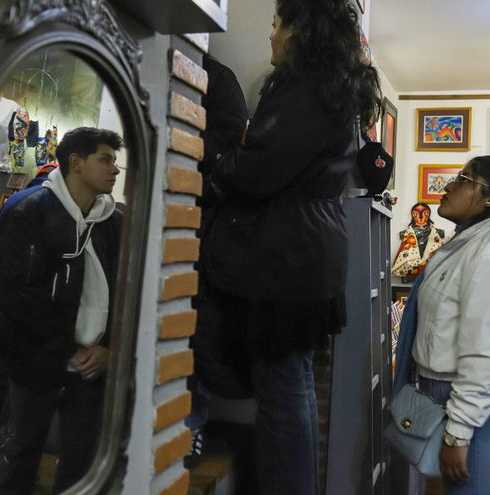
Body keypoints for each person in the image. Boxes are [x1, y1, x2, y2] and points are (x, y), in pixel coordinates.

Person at [201, 1, 381, 493]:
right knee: (291, 385)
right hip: (304, 252)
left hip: (285, 256)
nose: (271, 37)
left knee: (282, 392)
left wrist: (220, 162)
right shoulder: (334, 87)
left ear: (301, 30)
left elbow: (259, 169)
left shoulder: (306, 88)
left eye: (276, 25)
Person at [0, 127, 123, 494]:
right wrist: (66, 349)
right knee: (22, 449)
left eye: (115, 160)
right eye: (105, 159)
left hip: (92, 366)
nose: (115, 169)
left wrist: (110, 347)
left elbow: (125, 290)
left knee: (80, 458)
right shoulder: (28, 211)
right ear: (76, 162)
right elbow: (15, 297)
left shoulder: (113, 221)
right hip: (36, 358)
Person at [408, 156, 490, 494]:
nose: (448, 185)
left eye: (464, 179)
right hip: (464, 402)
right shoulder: (470, 244)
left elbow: (482, 351)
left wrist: (459, 431)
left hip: (480, 414)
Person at [185, 53, 248, 470]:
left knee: (195, 328)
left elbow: (229, 145)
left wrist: (183, 139)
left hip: (203, 217)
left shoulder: (216, 76)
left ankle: (190, 425)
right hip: (173, 210)